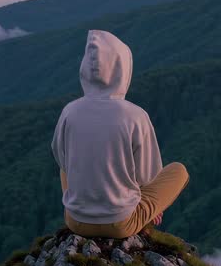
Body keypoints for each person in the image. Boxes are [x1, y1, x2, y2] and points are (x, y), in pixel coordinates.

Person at [52, 29, 189, 238]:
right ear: (122, 69)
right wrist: (152, 207)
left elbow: (60, 157)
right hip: (120, 223)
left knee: (65, 168)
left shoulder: (70, 111)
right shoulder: (134, 115)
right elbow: (146, 176)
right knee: (179, 171)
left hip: (75, 220)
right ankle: (146, 216)